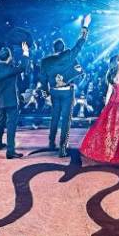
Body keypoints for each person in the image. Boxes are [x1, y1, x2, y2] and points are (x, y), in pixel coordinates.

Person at [41, 14, 90, 157]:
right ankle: (62, 147)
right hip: (67, 92)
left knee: (55, 117)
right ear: (63, 48)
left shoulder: (45, 61)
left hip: (54, 92)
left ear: (54, 49)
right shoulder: (68, 55)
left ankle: (51, 142)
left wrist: (46, 95)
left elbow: (43, 80)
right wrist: (85, 26)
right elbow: (80, 43)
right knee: (66, 120)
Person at [0, 42, 30, 159]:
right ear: (9, 57)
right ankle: (10, 151)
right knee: (11, 125)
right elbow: (23, 67)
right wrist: (25, 53)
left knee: (0, 122)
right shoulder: (11, 68)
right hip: (11, 101)